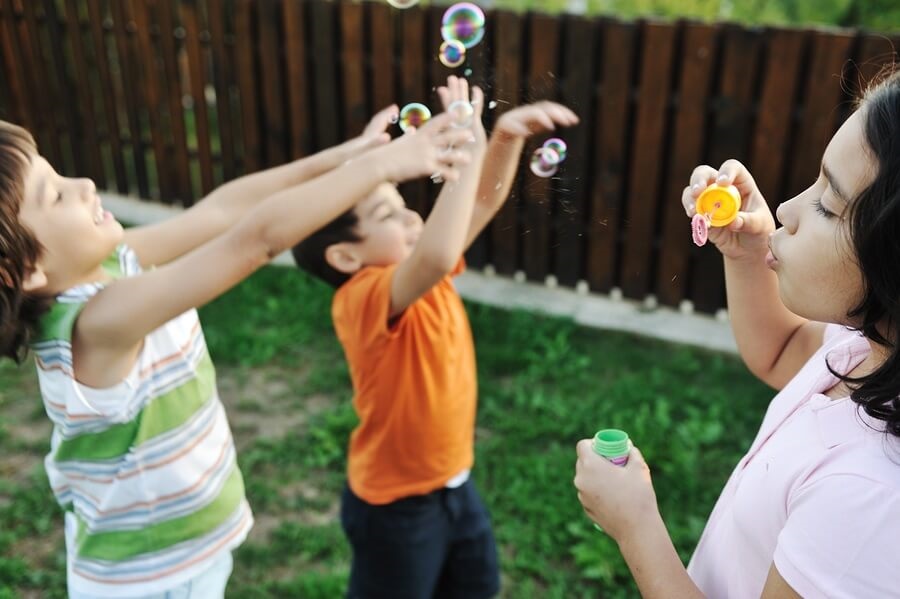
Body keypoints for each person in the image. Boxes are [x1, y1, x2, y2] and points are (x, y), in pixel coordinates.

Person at [0, 105, 473, 598]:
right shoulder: (95, 325)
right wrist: (381, 168)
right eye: (55, 195)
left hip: (173, 554)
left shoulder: (111, 265)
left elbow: (222, 211)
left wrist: (344, 159)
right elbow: (256, 240)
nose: (84, 184)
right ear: (19, 272)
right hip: (154, 577)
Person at [574, 69, 900, 598]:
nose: (788, 210)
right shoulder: (866, 344)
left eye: (827, 203)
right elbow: (781, 352)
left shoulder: (869, 500)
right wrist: (750, 256)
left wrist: (635, 527)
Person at [293, 76, 578, 598]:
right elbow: (439, 252)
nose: (409, 213)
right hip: (396, 509)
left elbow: (479, 208)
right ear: (345, 256)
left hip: (456, 485)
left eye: (400, 198)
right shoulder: (363, 297)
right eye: (385, 214)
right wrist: (464, 151)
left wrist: (504, 139)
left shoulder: (422, 271)